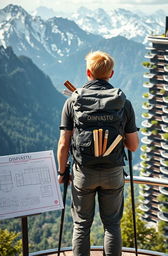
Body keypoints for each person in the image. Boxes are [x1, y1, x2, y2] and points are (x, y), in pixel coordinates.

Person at [57, 51, 139, 256]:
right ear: (111, 73)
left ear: (88, 73)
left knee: (81, 225)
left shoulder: (73, 102)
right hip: (113, 172)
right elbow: (133, 146)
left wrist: (61, 172)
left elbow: (63, 143)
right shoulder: (123, 103)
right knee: (112, 225)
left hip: (83, 172)